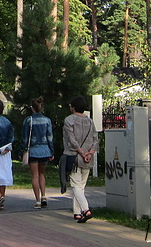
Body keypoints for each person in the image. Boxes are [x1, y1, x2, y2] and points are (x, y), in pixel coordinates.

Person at [63, 95, 99, 223]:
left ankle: (85, 210)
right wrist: (90, 152)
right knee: (81, 186)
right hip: (88, 158)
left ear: (73, 107)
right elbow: (95, 139)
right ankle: (77, 212)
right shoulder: (90, 121)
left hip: (74, 157)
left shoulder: (69, 120)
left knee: (75, 185)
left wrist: (81, 152)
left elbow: (71, 140)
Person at [22, 97, 54, 209]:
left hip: (33, 150)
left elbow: (25, 138)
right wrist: (51, 150)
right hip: (45, 150)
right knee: (42, 174)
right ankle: (44, 196)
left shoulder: (28, 120)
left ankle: (38, 200)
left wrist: (23, 150)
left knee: (34, 175)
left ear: (32, 108)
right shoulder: (47, 120)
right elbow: (50, 137)